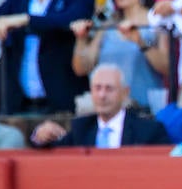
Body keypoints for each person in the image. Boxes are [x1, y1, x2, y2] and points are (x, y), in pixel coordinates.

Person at [72, 0, 169, 109]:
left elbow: (166, 67)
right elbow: (82, 68)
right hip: (107, 110)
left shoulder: (157, 23)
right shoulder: (107, 25)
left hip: (144, 109)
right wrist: (81, 39)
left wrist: (140, 42)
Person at [30, 63, 172, 147]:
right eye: (97, 88)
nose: (102, 95)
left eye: (109, 89)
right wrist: (40, 135)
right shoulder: (82, 128)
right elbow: (48, 150)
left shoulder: (148, 130)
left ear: (125, 93)